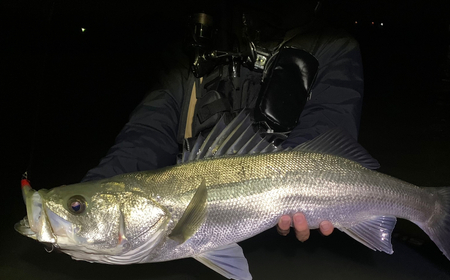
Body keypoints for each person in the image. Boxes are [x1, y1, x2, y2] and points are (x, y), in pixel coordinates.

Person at [82, 1, 364, 242]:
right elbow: (148, 132)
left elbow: (328, 126)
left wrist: (296, 195)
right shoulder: (195, 46)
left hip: (288, 239)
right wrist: (95, 196)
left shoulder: (332, 45)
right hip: (189, 232)